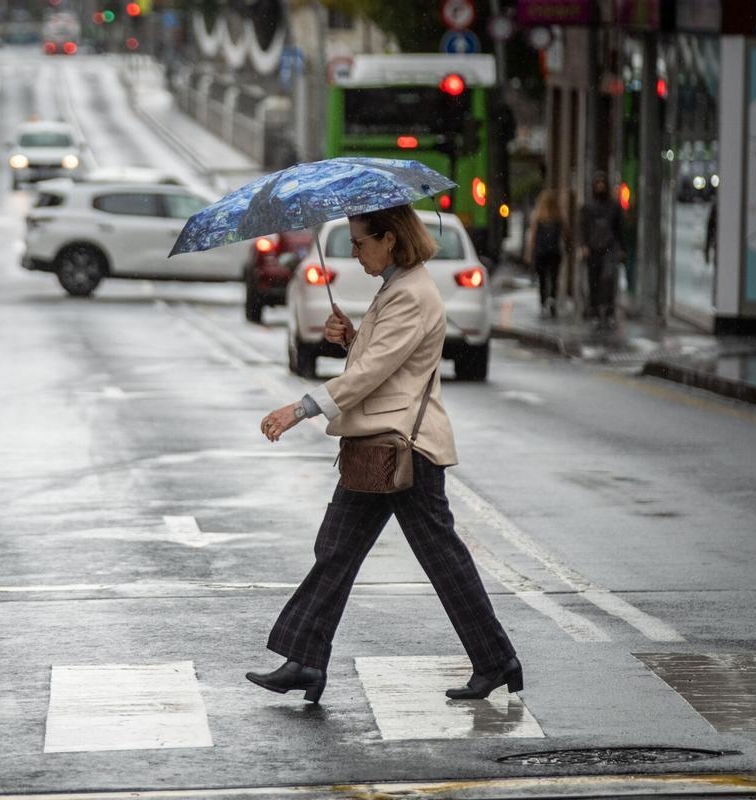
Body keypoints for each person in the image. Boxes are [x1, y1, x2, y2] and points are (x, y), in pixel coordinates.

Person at [247, 204, 520, 703]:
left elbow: (371, 376)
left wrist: (301, 408)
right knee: (336, 551)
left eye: (360, 243)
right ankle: (305, 661)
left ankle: (496, 659)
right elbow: (384, 362)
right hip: (378, 445)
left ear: (390, 239)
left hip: (404, 450)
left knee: (442, 559)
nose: (355, 253)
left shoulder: (411, 294)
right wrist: (351, 337)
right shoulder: (396, 288)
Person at [579, 172, 622, 328]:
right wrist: (584, 245)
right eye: (598, 183)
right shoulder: (588, 207)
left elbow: (618, 228)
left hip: (609, 247)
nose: (600, 186)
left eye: (602, 183)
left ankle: (609, 310)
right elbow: (583, 228)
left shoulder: (614, 206)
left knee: (608, 279)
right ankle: (595, 310)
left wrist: (619, 246)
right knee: (594, 281)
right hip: (593, 248)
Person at [524, 189, 567, 317]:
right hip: (554, 251)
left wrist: (529, 253)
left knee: (542, 279)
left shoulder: (538, 216)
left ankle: (543, 303)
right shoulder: (559, 216)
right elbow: (565, 235)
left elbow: (533, 236)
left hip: (541, 252)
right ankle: (552, 299)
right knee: (554, 278)